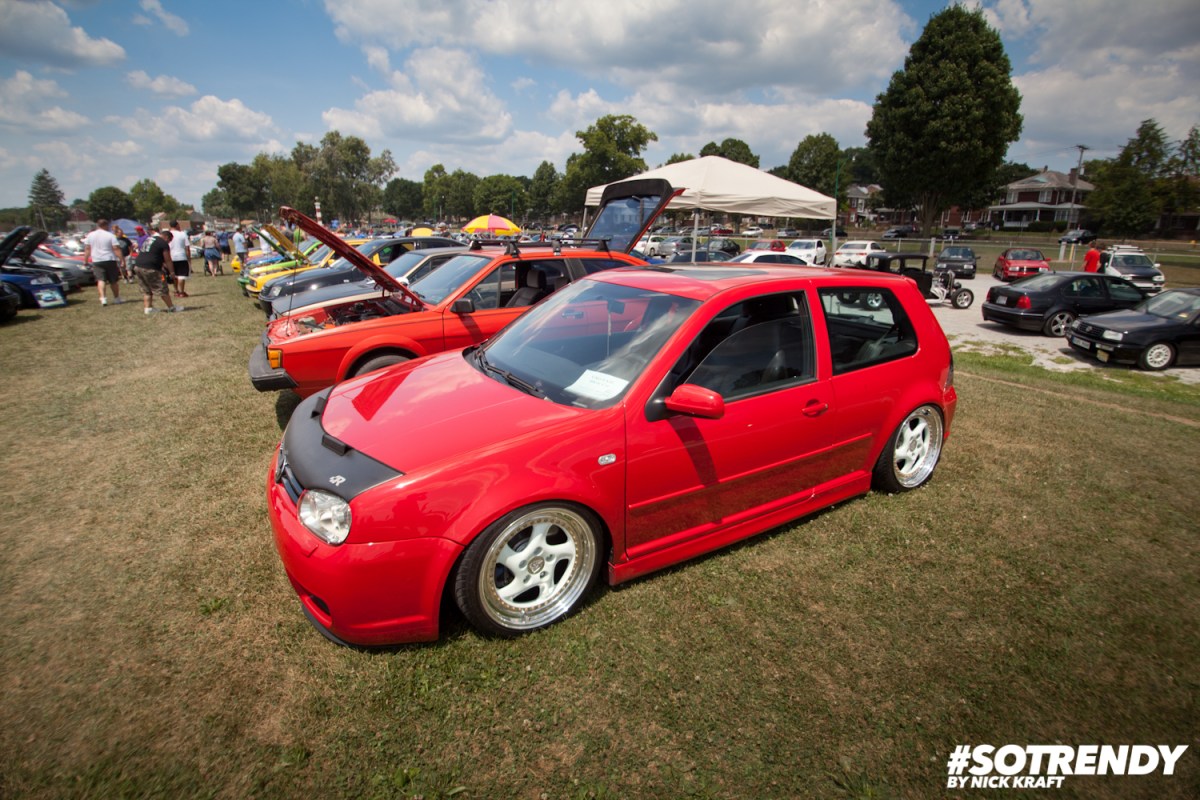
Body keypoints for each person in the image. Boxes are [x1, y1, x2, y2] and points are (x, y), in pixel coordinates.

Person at [133, 225, 182, 314]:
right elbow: (168, 259)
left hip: (138, 266)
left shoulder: (149, 239)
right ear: (166, 237)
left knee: (146, 289)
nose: (169, 243)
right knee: (162, 287)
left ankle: (148, 308)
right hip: (151, 268)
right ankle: (171, 307)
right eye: (169, 241)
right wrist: (172, 272)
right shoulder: (163, 243)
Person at [82, 218, 125, 306]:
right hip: (109, 259)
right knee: (113, 280)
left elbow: (87, 249)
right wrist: (122, 260)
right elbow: (116, 248)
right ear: (105, 225)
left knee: (101, 280)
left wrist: (85, 260)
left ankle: (103, 298)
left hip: (97, 260)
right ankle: (116, 298)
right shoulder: (110, 235)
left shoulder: (90, 235)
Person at [167, 220, 191, 297]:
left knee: (174, 274)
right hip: (181, 256)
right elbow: (187, 248)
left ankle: (176, 290)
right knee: (181, 275)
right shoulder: (182, 234)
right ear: (177, 225)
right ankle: (181, 291)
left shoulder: (167, 234)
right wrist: (189, 258)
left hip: (170, 257)